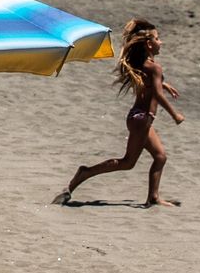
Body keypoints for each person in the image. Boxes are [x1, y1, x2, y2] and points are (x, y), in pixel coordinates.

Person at [57, 20, 183, 208]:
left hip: (141, 119)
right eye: (158, 39)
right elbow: (156, 93)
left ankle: (154, 197)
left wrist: (162, 83)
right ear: (149, 44)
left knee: (160, 157)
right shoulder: (154, 67)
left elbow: (150, 84)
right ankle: (85, 172)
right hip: (141, 120)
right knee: (127, 162)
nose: (161, 42)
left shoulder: (145, 64)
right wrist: (175, 115)